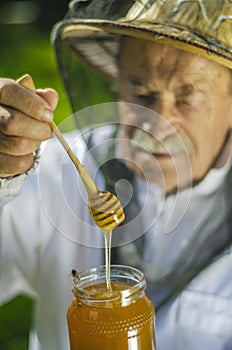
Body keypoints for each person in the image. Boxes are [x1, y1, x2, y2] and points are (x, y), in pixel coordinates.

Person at [0, 0, 232, 349]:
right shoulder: (51, 170)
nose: (158, 122)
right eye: (141, 91)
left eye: (188, 95)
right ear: (117, 84)